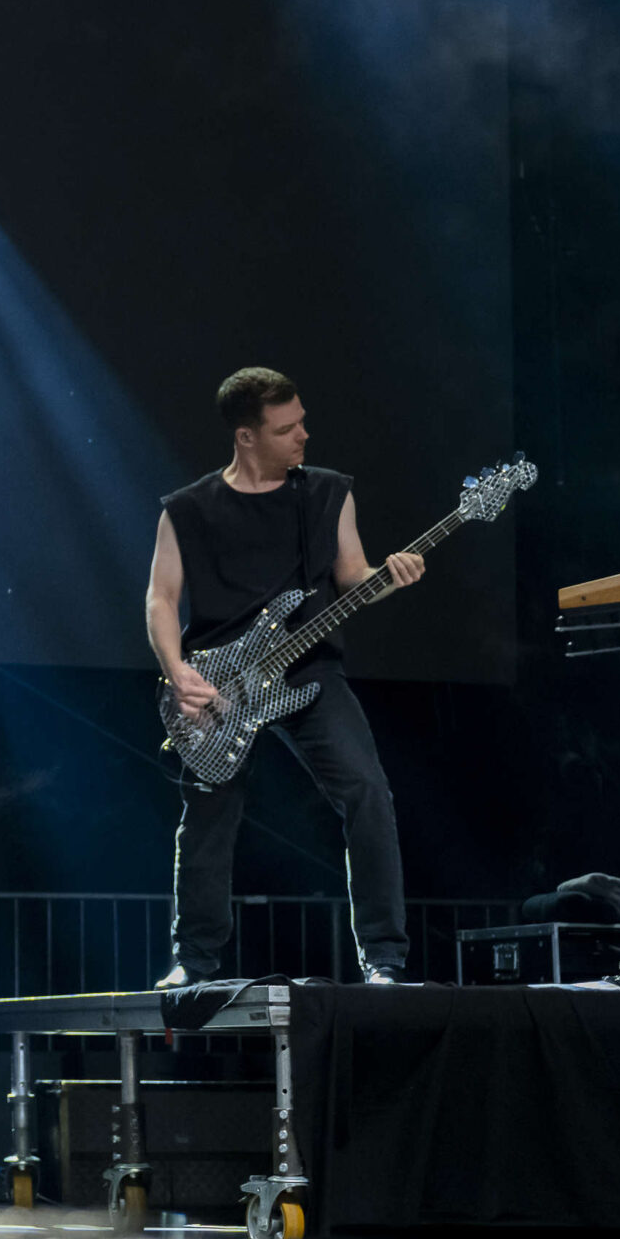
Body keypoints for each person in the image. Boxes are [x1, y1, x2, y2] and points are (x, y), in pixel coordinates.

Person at [145, 367, 421, 988]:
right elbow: (161, 599)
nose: (304, 435)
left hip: (309, 670)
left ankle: (384, 957)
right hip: (220, 684)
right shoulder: (187, 510)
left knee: (369, 793)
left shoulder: (327, 492)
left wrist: (389, 574)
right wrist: (177, 671)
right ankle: (194, 959)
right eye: (286, 428)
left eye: (302, 421)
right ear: (246, 437)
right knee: (209, 816)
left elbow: (352, 577)